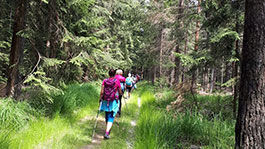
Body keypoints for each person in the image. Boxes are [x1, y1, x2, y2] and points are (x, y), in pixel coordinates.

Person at [99, 69, 123, 139]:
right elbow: (120, 91)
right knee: (111, 116)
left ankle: (107, 129)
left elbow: (102, 91)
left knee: (107, 114)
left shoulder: (105, 81)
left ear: (108, 74)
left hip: (105, 100)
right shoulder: (117, 81)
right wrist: (120, 94)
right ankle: (107, 132)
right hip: (113, 100)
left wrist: (100, 98)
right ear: (114, 74)